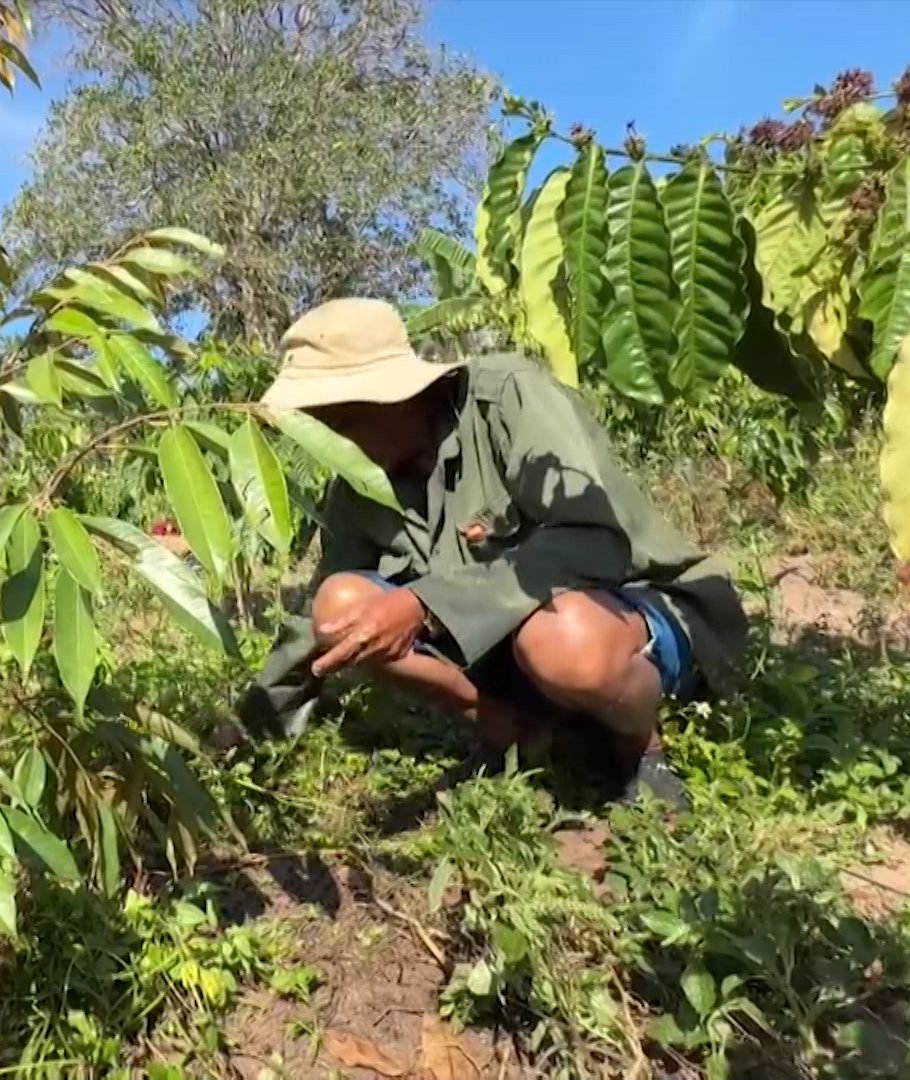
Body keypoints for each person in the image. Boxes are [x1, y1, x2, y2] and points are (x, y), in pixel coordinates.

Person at [238, 298, 747, 806]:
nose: (329, 439)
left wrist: (425, 605)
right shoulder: (360, 486)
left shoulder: (508, 399)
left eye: (340, 420)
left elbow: (594, 540)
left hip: (634, 617)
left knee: (561, 638)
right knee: (341, 607)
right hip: (515, 658)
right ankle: (510, 730)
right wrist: (250, 723)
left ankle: (640, 751)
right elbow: (315, 624)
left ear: (390, 397)